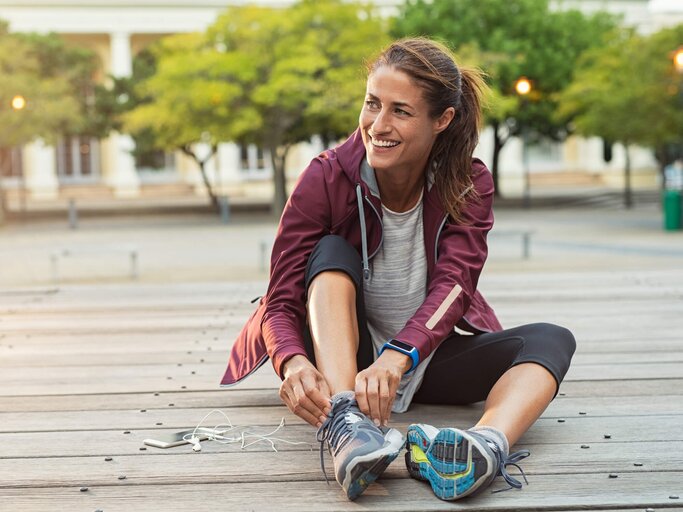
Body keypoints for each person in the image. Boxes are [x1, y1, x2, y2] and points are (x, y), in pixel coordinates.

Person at [220, 37, 576, 501]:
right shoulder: (325, 177)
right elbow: (281, 298)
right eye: (372, 104)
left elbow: (456, 285)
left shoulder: (468, 183)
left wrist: (399, 355)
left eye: (400, 111)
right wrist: (293, 361)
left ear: (442, 120)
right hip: (345, 362)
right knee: (329, 252)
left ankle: (485, 446)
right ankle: (347, 426)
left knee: (551, 339)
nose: (378, 125)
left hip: (420, 357)